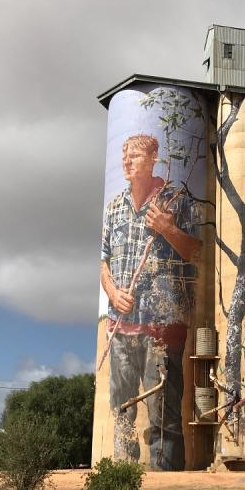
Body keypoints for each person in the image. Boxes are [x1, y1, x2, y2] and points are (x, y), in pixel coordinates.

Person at [100, 134, 200, 471]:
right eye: (124, 155)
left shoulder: (176, 200)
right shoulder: (114, 207)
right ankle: (121, 478)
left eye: (136, 155)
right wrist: (113, 293)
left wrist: (169, 230)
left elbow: (197, 252)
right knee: (122, 412)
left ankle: (165, 484)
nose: (127, 161)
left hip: (163, 327)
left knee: (164, 417)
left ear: (154, 157)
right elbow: (103, 262)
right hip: (121, 328)